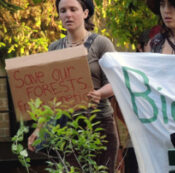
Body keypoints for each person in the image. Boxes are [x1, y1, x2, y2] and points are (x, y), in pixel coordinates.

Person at [27, 0, 119, 172]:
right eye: (63, 10)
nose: (68, 14)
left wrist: (99, 93)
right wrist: (39, 129)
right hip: (66, 128)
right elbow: (50, 95)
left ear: (85, 13)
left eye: (73, 9)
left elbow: (116, 82)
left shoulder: (101, 44)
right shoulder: (54, 48)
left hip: (99, 124)